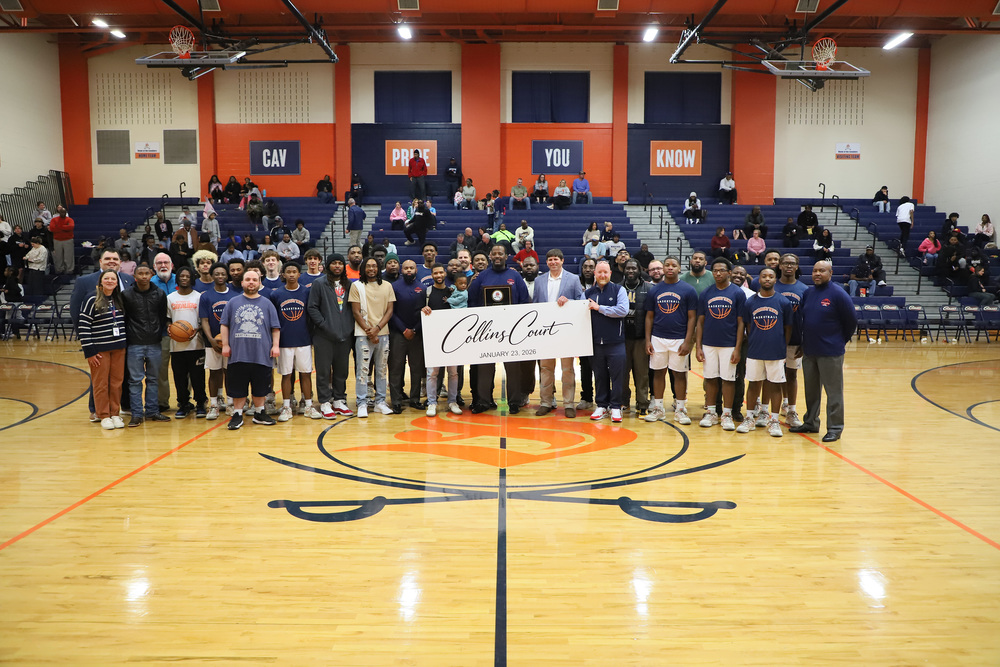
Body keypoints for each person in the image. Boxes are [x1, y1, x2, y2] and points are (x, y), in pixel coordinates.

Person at [790, 260, 858, 442]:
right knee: (811, 391)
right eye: (814, 271)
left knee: (833, 392)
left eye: (822, 271)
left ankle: (835, 427)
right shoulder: (808, 293)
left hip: (831, 352)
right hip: (809, 350)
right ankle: (811, 422)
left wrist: (838, 341)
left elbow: (851, 321)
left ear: (830, 273)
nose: (817, 274)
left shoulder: (838, 294)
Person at [468, 245, 530, 414]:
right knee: (485, 366)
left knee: (513, 368)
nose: (497, 256)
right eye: (494, 254)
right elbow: (472, 301)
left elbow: (525, 302)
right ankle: (483, 401)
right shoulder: (482, 277)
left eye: (500, 254)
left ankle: (514, 402)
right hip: (486, 331)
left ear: (506, 256)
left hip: (511, 331)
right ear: (490, 256)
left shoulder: (515, 276)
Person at [220, 267, 281, 430]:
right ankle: (238, 414)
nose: (251, 282)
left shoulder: (267, 303)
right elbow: (224, 325)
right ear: (242, 283)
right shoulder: (233, 302)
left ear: (259, 282)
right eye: (248, 280)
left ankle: (260, 413)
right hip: (238, 353)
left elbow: (275, 327)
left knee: (260, 386)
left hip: (261, 353)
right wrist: (225, 345)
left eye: (254, 280)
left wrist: (275, 346)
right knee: (238, 387)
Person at [736, 268, 792, 438]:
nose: (767, 279)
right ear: (758, 279)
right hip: (755, 351)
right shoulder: (750, 302)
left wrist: (782, 346)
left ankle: (774, 421)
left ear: (776, 280)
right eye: (764, 276)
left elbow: (788, 328)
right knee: (753, 384)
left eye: (771, 276)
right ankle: (749, 418)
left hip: (776, 351)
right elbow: (747, 326)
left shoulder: (783, 302)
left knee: (775, 385)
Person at [644, 256, 698, 425]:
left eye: (674, 265)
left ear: (679, 269)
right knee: (659, 373)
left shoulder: (688, 290)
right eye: (667, 265)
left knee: (679, 374)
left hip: (679, 339)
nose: (670, 268)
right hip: (658, 337)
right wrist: (648, 340)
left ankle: (681, 409)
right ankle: (658, 408)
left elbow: (692, 318)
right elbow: (649, 317)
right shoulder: (655, 290)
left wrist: (688, 341)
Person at [694, 257, 746, 431]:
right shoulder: (706, 293)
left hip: (729, 344)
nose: (717, 273)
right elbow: (700, 322)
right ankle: (711, 412)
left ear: (729, 273)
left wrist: (738, 348)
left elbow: (741, 323)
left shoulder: (737, 293)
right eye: (715, 270)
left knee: (728, 379)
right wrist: (698, 346)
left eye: (721, 270)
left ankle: (727, 414)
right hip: (709, 344)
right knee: (710, 378)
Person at [533, 248, 585, 418]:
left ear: (562, 261)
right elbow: (535, 306)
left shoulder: (573, 279)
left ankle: (569, 404)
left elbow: (581, 302)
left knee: (567, 369)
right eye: (550, 260)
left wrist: (569, 302)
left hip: (566, 332)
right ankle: (546, 402)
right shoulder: (539, 280)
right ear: (546, 262)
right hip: (545, 332)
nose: (553, 262)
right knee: (546, 369)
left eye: (556, 259)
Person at [79, 269, 128, 429]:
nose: (109, 281)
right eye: (106, 278)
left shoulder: (118, 299)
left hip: (119, 348)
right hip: (100, 350)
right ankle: (103, 415)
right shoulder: (91, 299)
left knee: (116, 383)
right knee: (101, 383)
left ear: (116, 282)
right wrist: (89, 351)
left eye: (113, 279)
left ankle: (115, 413)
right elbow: (83, 326)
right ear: (100, 282)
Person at [122, 264, 171, 427]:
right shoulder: (126, 295)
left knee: (153, 379)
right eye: (140, 273)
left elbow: (162, 316)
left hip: (154, 343)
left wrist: (157, 333)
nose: (143, 276)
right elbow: (124, 318)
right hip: (134, 343)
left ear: (151, 275)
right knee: (135, 380)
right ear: (135, 276)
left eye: (146, 273)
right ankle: (136, 414)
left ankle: (152, 411)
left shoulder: (159, 293)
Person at [349, 257, 396, 418]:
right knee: (363, 370)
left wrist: (377, 329)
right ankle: (362, 403)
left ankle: (380, 402)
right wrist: (369, 331)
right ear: (363, 269)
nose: (371, 268)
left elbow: (389, 311)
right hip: (363, 335)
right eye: (368, 266)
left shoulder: (387, 286)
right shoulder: (356, 286)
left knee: (382, 370)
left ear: (378, 268)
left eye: (374, 266)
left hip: (383, 333)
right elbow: (355, 312)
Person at [270, 262, 318, 421]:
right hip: (284, 342)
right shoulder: (276, 295)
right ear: (283, 275)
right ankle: (286, 407)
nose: (291, 274)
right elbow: (274, 320)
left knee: (305, 374)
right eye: (288, 272)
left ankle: (309, 406)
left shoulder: (307, 292)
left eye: (294, 272)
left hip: (303, 340)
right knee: (286, 375)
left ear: (299, 274)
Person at [585, 261, 627, 422]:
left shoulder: (619, 290)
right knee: (600, 375)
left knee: (617, 376)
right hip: (595, 343)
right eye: (599, 272)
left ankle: (615, 407)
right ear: (594, 273)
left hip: (616, 342)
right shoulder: (588, 293)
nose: (602, 275)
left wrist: (599, 308)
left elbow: (622, 310)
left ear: (610, 273)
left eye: (605, 272)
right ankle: (602, 405)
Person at [198, 262, 239, 420]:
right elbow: (205, 320)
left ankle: (230, 403)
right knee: (214, 373)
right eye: (217, 274)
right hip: (213, 342)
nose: (220, 276)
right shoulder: (206, 296)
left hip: (231, 342)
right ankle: (214, 405)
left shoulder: (235, 295)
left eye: (223, 274)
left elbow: (236, 320)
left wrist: (231, 341)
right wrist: (210, 340)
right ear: (212, 275)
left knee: (231, 373)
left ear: (227, 275)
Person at [166, 266, 207, 419]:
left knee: (198, 376)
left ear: (192, 278)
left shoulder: (199, 297)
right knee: (179, 377)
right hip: (176, 346)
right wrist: (169, 328)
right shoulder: (171, 298)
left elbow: (203, 319)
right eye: (181, 276)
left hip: (196, 344)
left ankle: (201, 403)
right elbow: (168, 319)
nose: (184, 278)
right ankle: (183, 404)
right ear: (177, 279)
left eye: (187, 276)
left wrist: (197, 330)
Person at [388, 259, 426, 413]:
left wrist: (415, 329)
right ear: (401, 270)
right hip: (398, 333)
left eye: (411, 268)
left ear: (416, 270)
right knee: (396, 367)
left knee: (416, 368)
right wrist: (404, 329)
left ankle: (415, 399)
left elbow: (425, 312)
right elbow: (391, 312)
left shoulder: (423, 288)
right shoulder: (394, 287)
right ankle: (396, 401)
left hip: (417, 333)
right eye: (406, 268)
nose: (409, 270)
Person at [775, 254, 808, 429]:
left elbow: (807, 318)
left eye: (792, 263)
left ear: (797, 267)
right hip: (771, 339)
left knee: (791, 374)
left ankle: (791, 410)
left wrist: (804, 341)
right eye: (786, 263)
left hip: (794, 339)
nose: (789, 266)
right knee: (770, 376)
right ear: (779, 265)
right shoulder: (771, 285)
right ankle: (767, 410)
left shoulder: (804, 289)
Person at [619, 259, 651, 416]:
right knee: (622, 372)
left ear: (639, 270)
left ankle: (643, 403)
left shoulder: (648, 288)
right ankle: (624, 401)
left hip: (640, 338)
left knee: (642, 373)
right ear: (624, 270)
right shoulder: (618, 288)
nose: (630, 271)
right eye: (628, 268)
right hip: (622, 338)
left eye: (633, 268)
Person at [49, 205, 75, 275]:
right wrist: (64, 227)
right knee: (58, 256)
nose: (63, 214)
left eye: (64, 212)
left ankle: (69, 270)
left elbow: (71, 227)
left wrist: (59, 227)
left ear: (66, 213)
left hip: (68, 240)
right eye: (61, 212)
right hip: (57, 240)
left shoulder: (70, 219)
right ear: (59, 212)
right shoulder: (54, 219)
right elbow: (52, 228)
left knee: (69, 256)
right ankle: (60, 269)